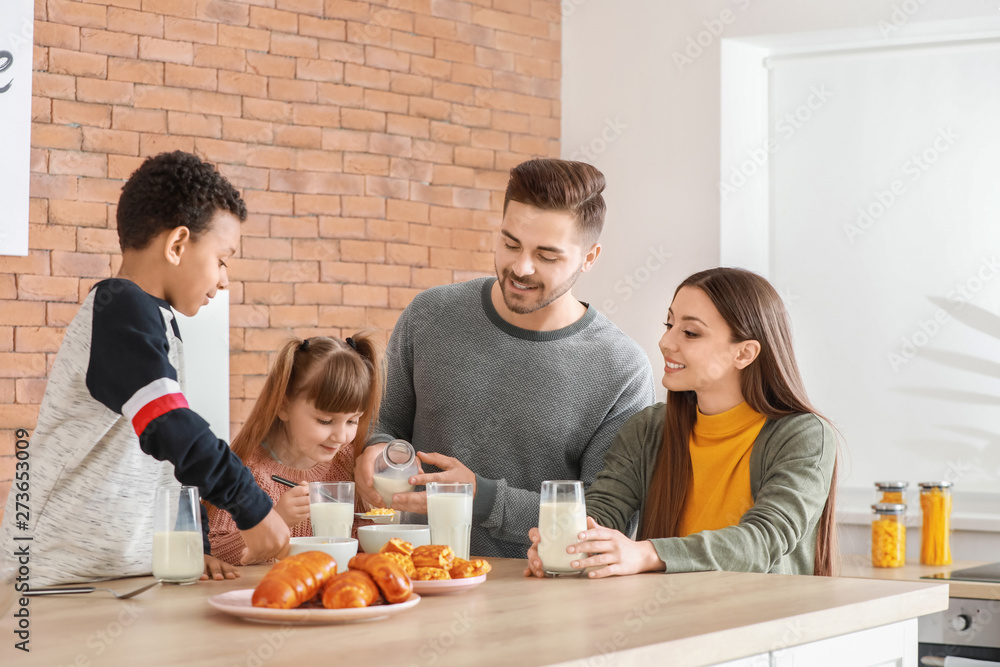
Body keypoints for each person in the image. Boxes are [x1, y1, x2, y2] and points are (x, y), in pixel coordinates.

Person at [0, 151, 289, 586]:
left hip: (122, 579)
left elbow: (164, 457)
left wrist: (194, 543)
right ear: (177, 245)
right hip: (52, 578)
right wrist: (251, 504)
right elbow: (171, 426)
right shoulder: (119, 307)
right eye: (222, 259)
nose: (225, 279)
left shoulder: (158, 321)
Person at [355, 158, 656, 558]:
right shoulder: (430, 315)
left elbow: (604, 520)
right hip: (418, 584)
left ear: (590, 257)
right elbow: (385, 422)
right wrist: (374, 449)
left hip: (543, 599)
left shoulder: (622, 369)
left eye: (547, 256)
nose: (520, 267)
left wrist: (482, 498)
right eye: (510, 243)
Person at [525, 267, 838, 578]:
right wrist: (574, 544)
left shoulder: (803, 435)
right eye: (669, 324)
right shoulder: (649, 429)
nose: (665, 341)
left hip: (760, 622)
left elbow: (763, 540)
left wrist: (648, 553)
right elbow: (604, 509)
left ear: (744, 353)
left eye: (690, 333)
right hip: (668, 616)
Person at [208, 335, 382, 565]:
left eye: (352, 421)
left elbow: (360, 538)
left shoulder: (346, 463)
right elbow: (216, 551)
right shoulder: (248, 471)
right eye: (325, 421)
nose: (341, 437)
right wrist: (274, 519)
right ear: (283, 406)